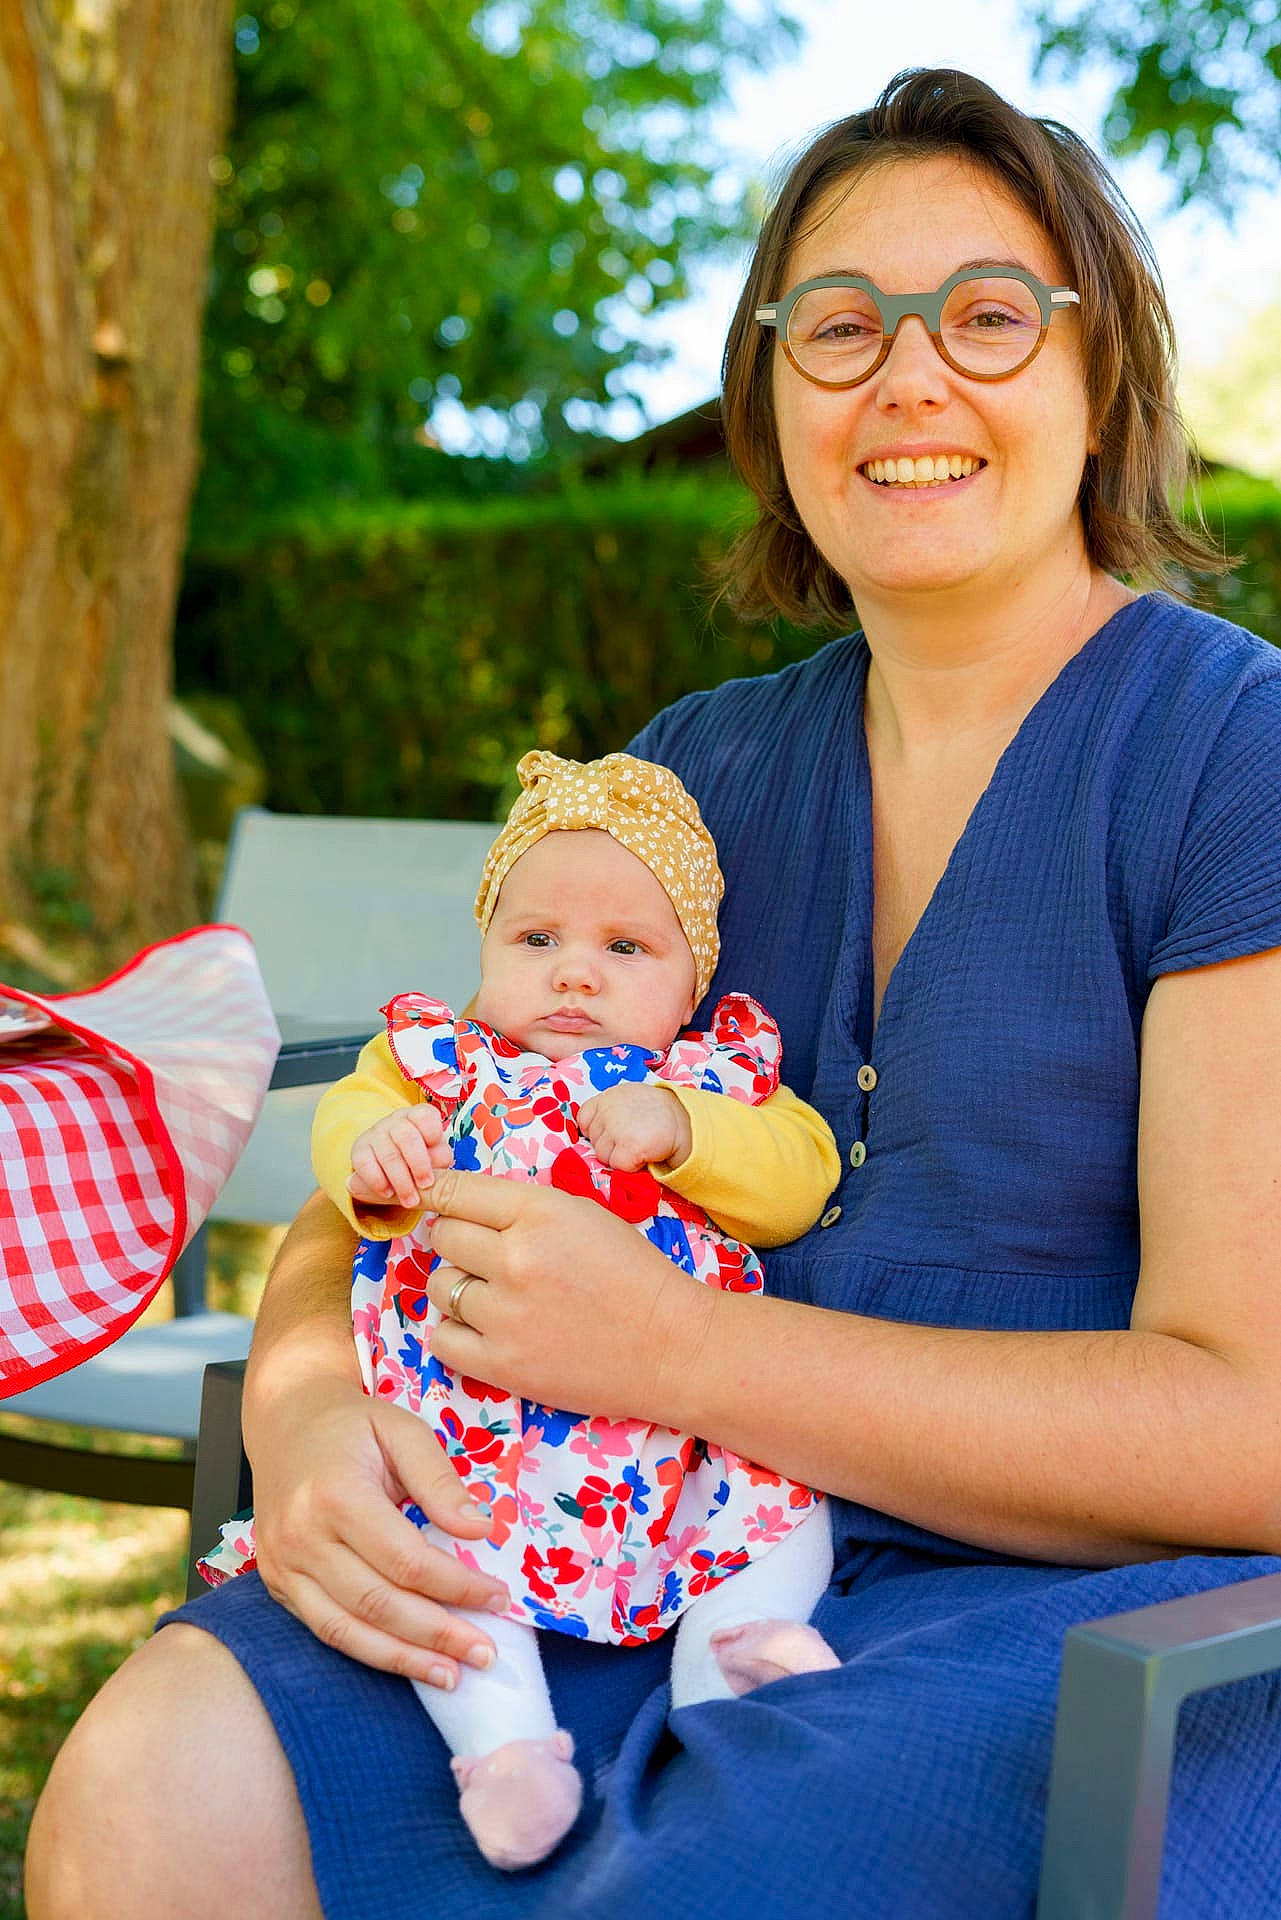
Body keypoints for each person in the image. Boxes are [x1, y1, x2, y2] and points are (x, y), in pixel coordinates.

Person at [26, 64, 1281, 1920]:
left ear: (1100, 378)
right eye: (840, 327)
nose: (911, 378)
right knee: (151, 1787)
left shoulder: (1224, 753)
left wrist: (685, 1355)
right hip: (615, 1539)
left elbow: (1246, 1430)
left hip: (1073, 1624)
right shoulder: (684, 788)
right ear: (770, 404)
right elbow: (412, 1148)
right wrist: (297, 1404)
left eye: (991, 316)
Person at [198, 747, 840, 1870]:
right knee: (440, 1547)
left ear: (692, 983)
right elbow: (343, 1121)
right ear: (487, 951)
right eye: (535, 941)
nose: (574, 976)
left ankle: (731, 1656)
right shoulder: (443, 1062)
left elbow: (803, 1173)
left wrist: (689, 1133)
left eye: (624, 949)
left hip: (678, 1431)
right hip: (473, 1408)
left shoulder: (715, 1075)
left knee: (786, 1498)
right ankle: (503, 1751)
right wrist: (375, 1150)